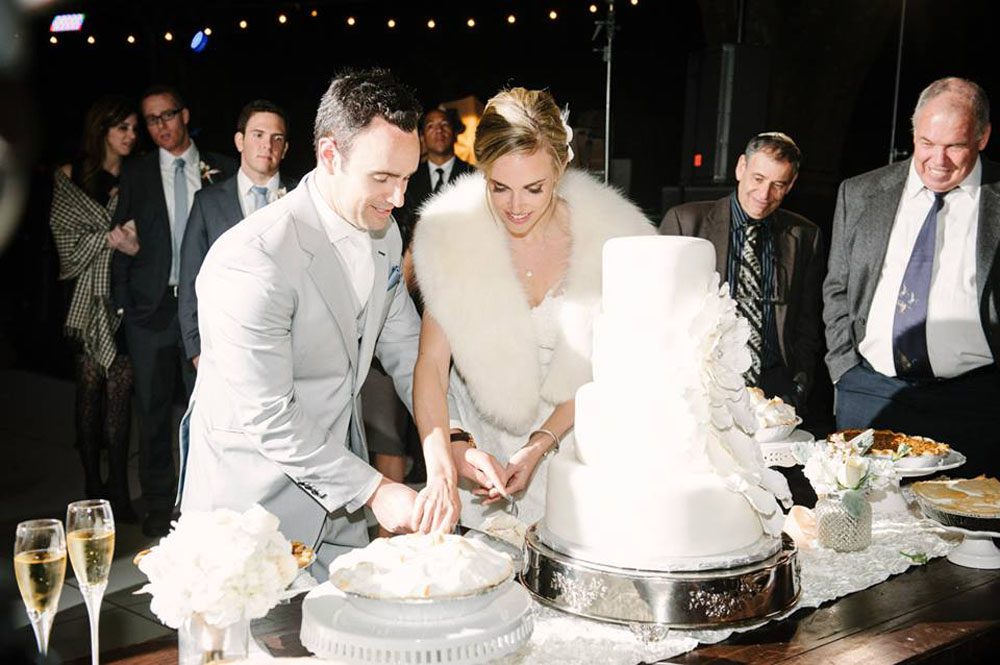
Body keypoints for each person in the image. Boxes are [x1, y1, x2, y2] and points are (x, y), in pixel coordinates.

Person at [179, 68, 425, 564]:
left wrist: (455, 437)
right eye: (382, 178)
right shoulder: (253, 259)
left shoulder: (386, 233)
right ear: (330, 155)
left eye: (406, 179)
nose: (399, 199)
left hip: (339, 506)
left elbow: (408, 352)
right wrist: (377, 490)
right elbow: (271, 416)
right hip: (250, 510)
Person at [409, 88, 655, 533]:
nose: (516, 206)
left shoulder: (612, 240)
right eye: (499, 187)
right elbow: (430, 366)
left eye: (534, 188)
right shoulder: (452, 238)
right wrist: (446, 459)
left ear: (560, 169)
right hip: (484, 461)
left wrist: (540, 443)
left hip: (582, 451)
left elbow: (613, 370)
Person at [823, 77, 1000, 476]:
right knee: (863, 529)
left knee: (965, 533)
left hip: (973, 404)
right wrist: (844, 371)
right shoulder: (860, 192)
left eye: (955, 145)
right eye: (927, 143)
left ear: (983, 136)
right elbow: (837, 287)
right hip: (871, 394)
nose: (938, 160)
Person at [111, 84, 236, 537]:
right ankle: (160, 503)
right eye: (152, 120)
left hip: (207, 311)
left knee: (209, 409)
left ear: (184, 115)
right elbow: (120, 242)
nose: (161, 127)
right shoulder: (138, 173)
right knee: (153, 410)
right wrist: (127, 305)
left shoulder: (223, 168)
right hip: (153, 310)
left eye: (167, 116)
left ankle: (203, 500)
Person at [660, 132, 824, 411]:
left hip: (774, 394)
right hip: (702, 390)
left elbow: (808, 323)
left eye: (778, 185)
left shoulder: (805, 235)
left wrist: (798, 386)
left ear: (791, 184)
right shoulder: (685, 223)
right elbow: (659, 312)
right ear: (740, 168)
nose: (764, 195)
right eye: (758, 179)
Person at [49, 95, 140, 522]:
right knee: (89, 395)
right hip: (85, 301)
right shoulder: (72, 176)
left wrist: (132, 242)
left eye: (134, 129)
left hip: (123, 297)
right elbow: (63, 239)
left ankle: (119, 490)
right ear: (102, 129)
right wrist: (106, 238)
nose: (130, 136)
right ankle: (91, 483)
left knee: (120, 399)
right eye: (122, 128)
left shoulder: (137, 177)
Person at [178, 99, 294, 367]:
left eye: (277, 138)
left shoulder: (301, 199)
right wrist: (196, 350)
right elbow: (190, 280)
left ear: (285, 148)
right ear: (240, 141)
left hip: (284, 347)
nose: (268, 145)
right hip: (221, 347)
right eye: (258, 135)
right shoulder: (207, 202)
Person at [395, 107, 474, 252]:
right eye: (431, 126)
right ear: (422, 137)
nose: (439, 130)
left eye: (444, 124)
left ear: (455, 133)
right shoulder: (409, 178)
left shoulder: (473, 176)